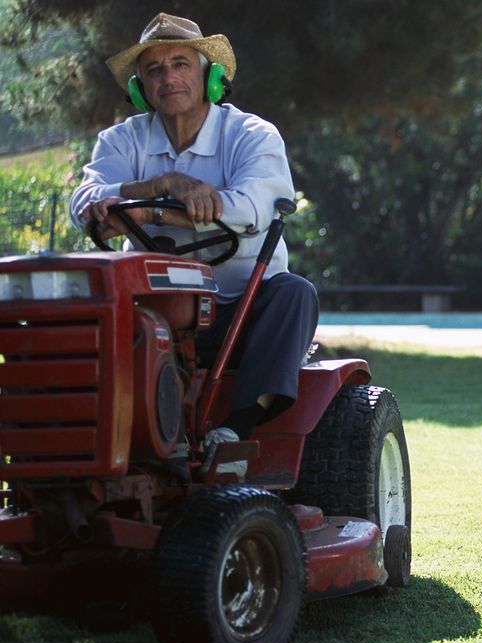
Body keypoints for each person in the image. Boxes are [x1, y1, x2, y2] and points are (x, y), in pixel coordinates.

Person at [71, 13, 318, 469]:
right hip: (155, 308)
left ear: (212, 76)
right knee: (81, 311)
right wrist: (163, 184)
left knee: (295, 293)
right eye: (154, 69)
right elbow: (85, 203)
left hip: (240, 310)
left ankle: (235, 430)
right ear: (139, 87)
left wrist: (143, 213)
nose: (169, 77)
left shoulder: (251, 135)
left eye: (180, 64)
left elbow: (249, 209)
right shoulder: (120, 140)